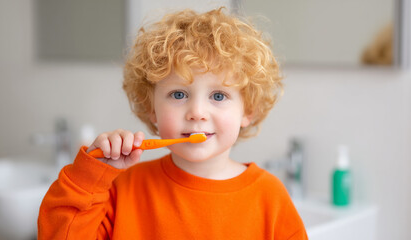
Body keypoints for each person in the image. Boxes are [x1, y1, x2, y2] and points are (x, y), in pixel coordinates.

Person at [38, 7, 307, 240]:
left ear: (247, 110)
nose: (197, 112)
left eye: (218, 95)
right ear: (151, 108)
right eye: (178, 94)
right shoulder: (124, 189)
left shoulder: (270, 198)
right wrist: (89, 181)